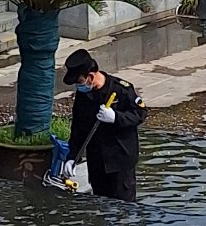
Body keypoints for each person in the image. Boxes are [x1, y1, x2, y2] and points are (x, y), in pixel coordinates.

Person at [60, 47, 145, 201]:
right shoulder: (83, 95)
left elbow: (140, 114)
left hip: (120, 161)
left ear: (91, 77)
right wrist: (72, 157)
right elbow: (78, 128)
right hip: (97, 162)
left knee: (123, 209)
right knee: (99, 206)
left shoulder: (121, 90)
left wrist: (116, 117)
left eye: (80, 81)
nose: (79, 86)